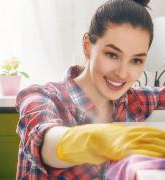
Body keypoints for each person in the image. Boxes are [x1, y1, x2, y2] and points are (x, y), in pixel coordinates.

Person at [16, 0, 165, 179]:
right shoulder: (42, 97)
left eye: (136, 60)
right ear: (88, 46)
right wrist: (96, 141)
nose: (122, 73)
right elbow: (46, 142)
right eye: (112, 55)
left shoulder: (134, 101)